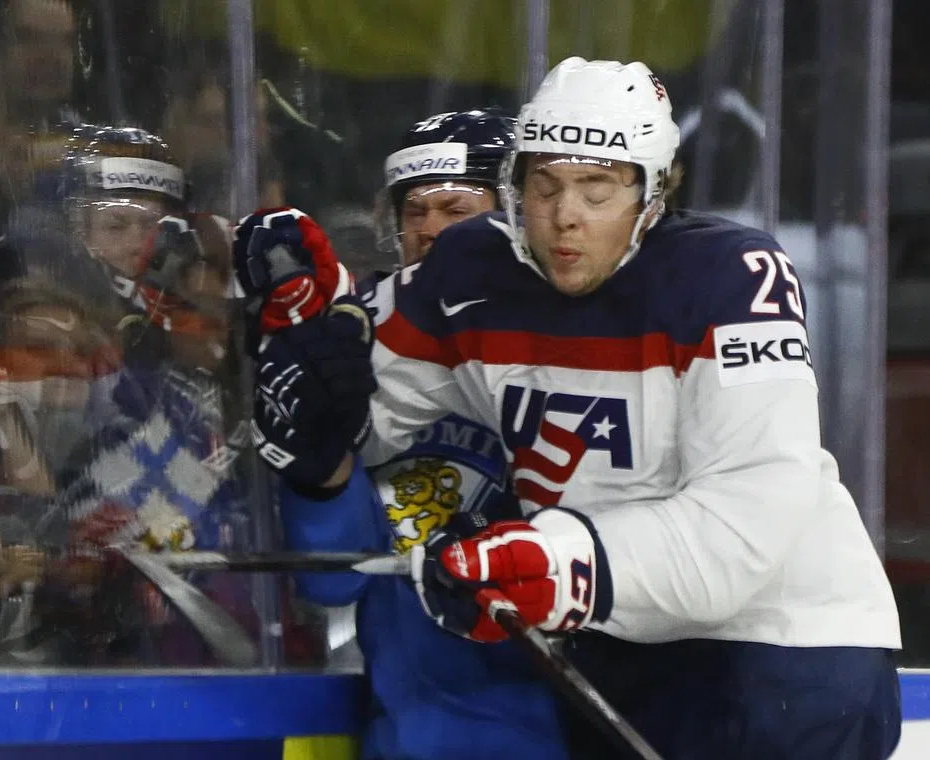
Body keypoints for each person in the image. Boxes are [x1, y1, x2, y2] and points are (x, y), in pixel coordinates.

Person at [234, 57, 902, 759]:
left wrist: (558, 562)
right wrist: (310, 328)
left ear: (654, 192)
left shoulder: (733, 279)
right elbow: (355, 405)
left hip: (791, 650)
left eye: (596, 189)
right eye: (545, 185)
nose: (565, 218)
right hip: (618, 656)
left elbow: (742, 528)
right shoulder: (473, 271)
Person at [234, 111, 573, 760]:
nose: (429, 230)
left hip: (568, 731)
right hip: (412, 734)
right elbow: (335, 579)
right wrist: (319, 464)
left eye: (454, 208)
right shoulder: (362, 350)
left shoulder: (592, 347)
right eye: (413, 211)